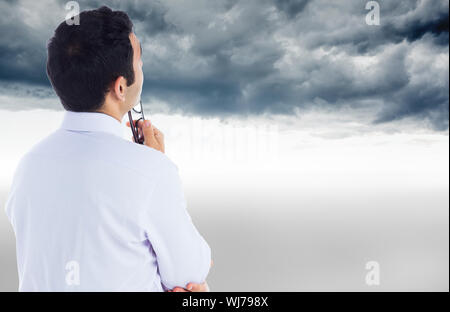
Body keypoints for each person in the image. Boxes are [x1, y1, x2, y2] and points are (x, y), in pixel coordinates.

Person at [4, 6, 212, 292]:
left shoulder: (27, 166)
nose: (141, 68)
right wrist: (152, 164)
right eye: (140, 62)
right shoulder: (151, 170)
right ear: (120, 87)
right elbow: (189, 273)